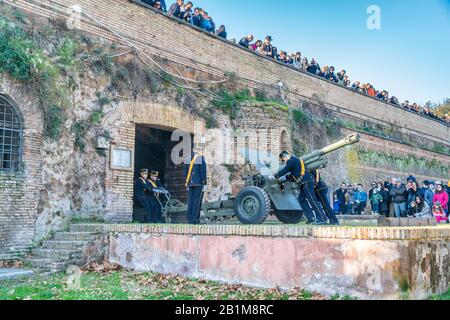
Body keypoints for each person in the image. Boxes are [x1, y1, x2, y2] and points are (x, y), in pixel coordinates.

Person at [273, 151, 327, 225]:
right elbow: (293, 174)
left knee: (312, 200)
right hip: (303, 182)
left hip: (306, 182)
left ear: (285, 156)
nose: (284, 161)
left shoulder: (291, 160)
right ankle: (311, 218)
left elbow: (285, 170)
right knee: (301, 200)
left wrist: (275, 176)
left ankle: (322, 218)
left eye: (283, 159)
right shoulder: (296, 161)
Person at [184, 152, 207, 225]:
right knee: (196, 202)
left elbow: (185, 172)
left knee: (190, 201)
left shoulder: (187, 158)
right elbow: (203, 171)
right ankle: (194, 220)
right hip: (198, 183)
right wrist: (204, 182)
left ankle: (189, 218)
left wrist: (187, 183)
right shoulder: (200, 157)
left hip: (190, 183)